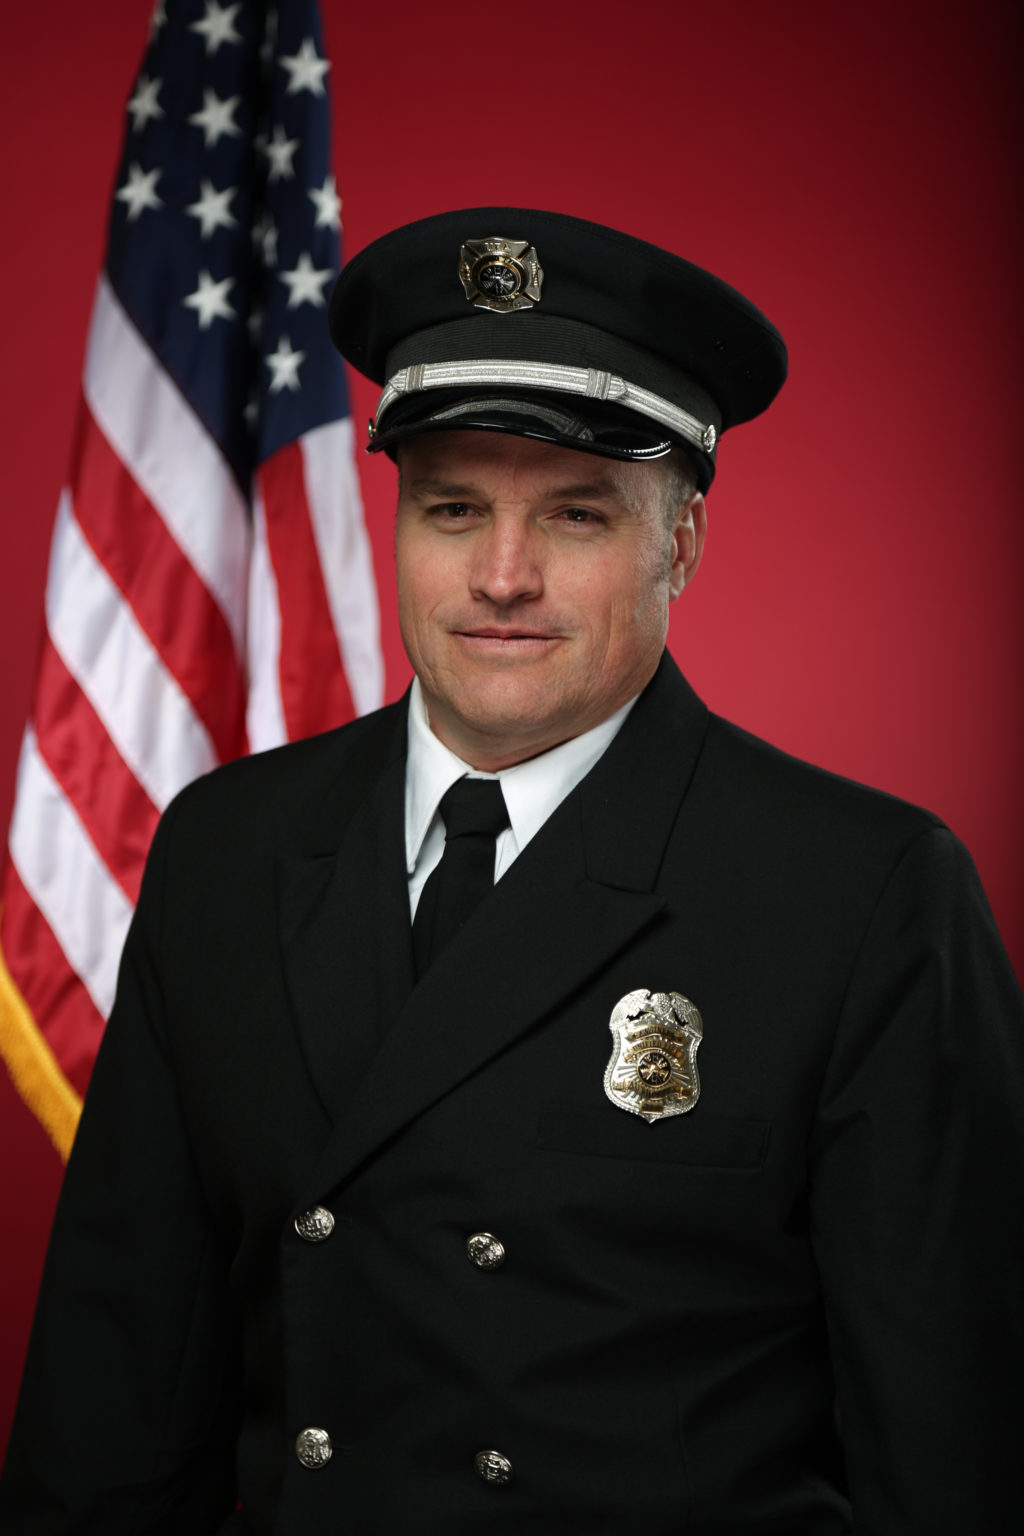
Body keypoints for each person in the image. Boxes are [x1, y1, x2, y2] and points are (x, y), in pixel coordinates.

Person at [1, 207, 1021, 1535]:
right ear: (399, 524)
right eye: (453, 508)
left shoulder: (863, 895)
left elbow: (957, 1461)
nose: (500, 577)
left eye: (577, 515)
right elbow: (113, 1413)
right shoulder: (228, 849)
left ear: (681, 546)